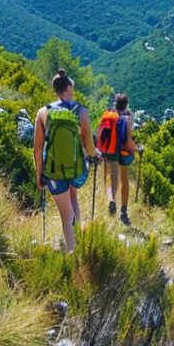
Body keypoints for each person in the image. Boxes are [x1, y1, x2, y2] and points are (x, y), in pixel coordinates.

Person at [33, 70, 97, 253]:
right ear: (69, 87)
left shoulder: (43, 112)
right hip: (77, 170)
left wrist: (40, 174)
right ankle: (77, 245)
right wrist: (94, 155)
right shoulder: (81, 111)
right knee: (74, 197)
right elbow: (90, 147)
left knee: (65, 216)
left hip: (54, 172)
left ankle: (73, 252)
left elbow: (37, 149)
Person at [100, 93, 139, 225]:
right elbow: (128, 141)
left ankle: (111, 199)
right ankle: (123, 211)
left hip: (109, 151)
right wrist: (137, 149)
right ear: (126, 105)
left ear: (115, 104)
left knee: (111, 178)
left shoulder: (109, 115)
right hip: (122, 152)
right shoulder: (126, 118)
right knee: (124, 178)